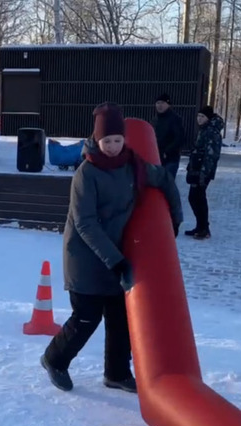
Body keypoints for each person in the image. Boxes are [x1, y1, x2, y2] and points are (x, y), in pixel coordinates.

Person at [40, 102, 183, 394]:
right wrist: (116, 261)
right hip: (84, 255)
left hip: (114, 253)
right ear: (97, 139)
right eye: (107, 141)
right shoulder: (86, 173)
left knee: (120, 317)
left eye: (118, 140)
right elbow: (86, 224)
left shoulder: (133, 166)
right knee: (86, 316)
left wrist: (175, 217)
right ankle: (54, 359)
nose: (113, 146)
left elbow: (164, 178)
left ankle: (116, 373)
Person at [185, 105, 224, 240]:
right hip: (196, 169)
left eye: (202, 117)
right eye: (198, 116)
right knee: (194, 197)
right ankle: (200, 226)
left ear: (208, 118)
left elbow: (211, 155)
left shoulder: (212, 132)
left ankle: (204, 228)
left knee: (198, 197)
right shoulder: (204, 130)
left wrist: (204, 173)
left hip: (203, 171)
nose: (199, 119)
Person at [153, 93, 186, 180]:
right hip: (156, 158)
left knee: (167, 185)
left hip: (170, 159)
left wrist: (167, 151)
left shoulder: (175, 119)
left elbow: (179, 138)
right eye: (158, 103)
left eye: (163, 103)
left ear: (168, 105)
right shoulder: (155, 120)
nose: (160, 105)